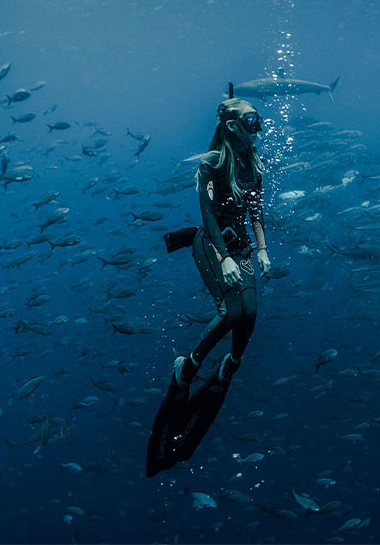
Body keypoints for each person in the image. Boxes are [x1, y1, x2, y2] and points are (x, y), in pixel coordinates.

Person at [146, 97, 270, 477]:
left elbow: (255, 212)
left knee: (250, 315)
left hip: (241, 246)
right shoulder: (212, 164)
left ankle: (226, 370)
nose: (258, 127)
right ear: (233, 126)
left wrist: (261, 249)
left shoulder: (255, 166)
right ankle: (189, 366)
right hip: (211, 243)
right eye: (251, 120)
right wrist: (225, 257)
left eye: (258, 120)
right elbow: (208, 215)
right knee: (231, 311)